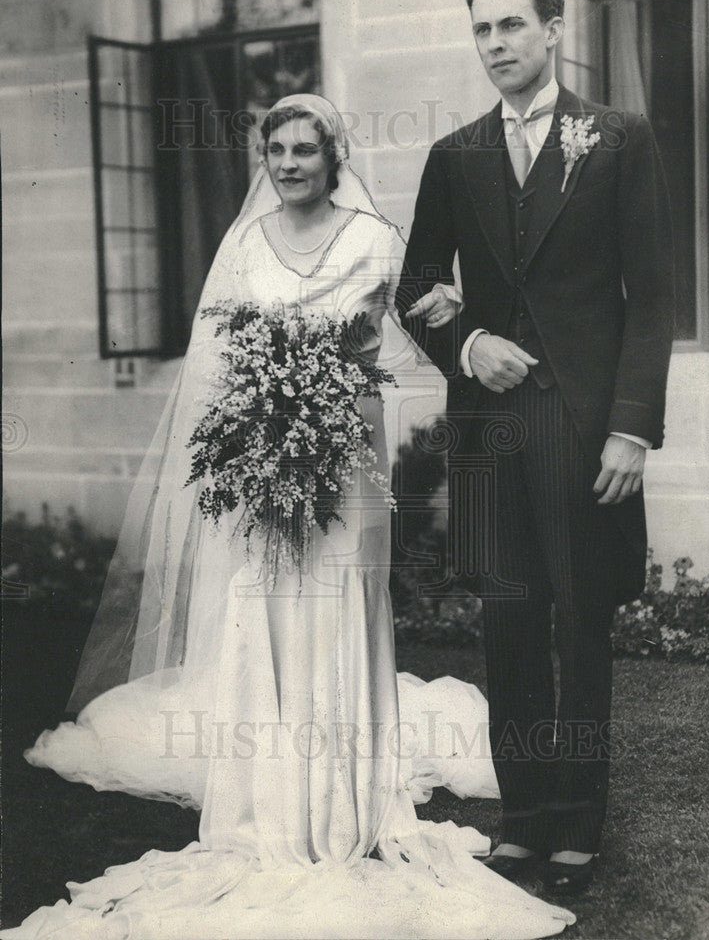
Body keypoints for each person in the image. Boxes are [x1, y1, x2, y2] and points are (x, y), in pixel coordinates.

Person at [1, 95, 576, 940]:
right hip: (261, 465)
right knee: (263, 619)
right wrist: (252, 431)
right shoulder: (241, 243)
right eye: (278, 151)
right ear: (263, 159)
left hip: (346, 466)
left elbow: (424, 324)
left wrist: (468, 334)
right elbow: (216, 359)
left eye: (306, 149)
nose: (291, 164)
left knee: (339, 612)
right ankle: (270, 801)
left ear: (336, 153)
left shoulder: (375, 239)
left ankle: (345, 800)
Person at [397, 0, 674, 895]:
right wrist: (467, 341)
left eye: (511, 26)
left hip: (586, 425)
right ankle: (521, 821)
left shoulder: (618, 138)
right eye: (481, 31)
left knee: (579, 624)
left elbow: (651, 298)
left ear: (552, 30)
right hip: (488, 433)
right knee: (506, 625)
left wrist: (631, 429)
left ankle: (577, 828)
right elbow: (416, 287)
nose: (495, 46)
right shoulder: (455, 153)